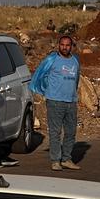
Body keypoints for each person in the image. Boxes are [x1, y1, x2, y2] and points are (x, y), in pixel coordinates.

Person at [31, 35, 82, 171]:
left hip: (71, 101)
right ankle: (55, 160)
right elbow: (40, 74)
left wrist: (74, 95)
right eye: (62, 45)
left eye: (67, 45)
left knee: (71, 132)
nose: (64, 47)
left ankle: (66, 159)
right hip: (55, 101)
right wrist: (45, 91)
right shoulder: (52, 60)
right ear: (58, 45)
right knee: (55, 132)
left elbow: (76, 79)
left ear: (71, 47)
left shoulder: (75, 61)